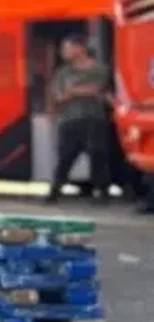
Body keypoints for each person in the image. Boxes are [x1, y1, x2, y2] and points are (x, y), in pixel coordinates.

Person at [45, 34, 113, 204]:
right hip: (70, 120)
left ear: (80, 48)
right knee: (65, 157)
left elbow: (99, 89)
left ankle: (102, 192)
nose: (63, 52)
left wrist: (73, 91)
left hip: (94, 119)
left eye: (67, 48)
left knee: (97, 155)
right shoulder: (63, 72)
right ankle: (54, 191)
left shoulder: (100, 69)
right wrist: (81, 91)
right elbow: (59, 95)